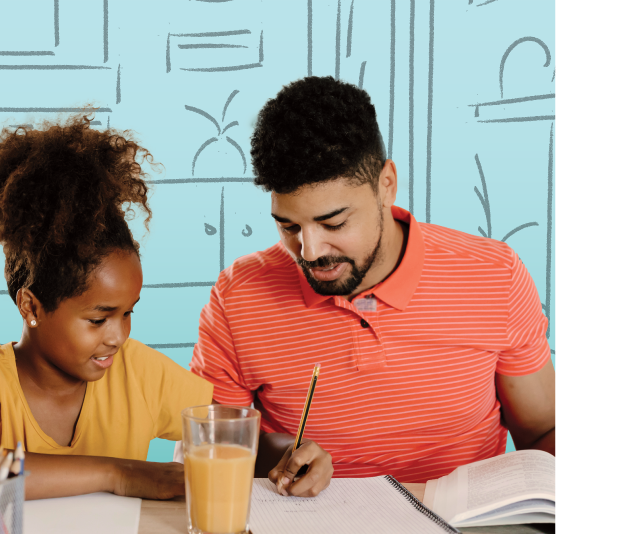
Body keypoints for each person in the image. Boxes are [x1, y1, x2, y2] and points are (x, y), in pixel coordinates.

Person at [186, 76, 556, 497]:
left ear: (386, 184)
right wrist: (282, 453)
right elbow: (211, 446)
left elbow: (542, 429)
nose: (309, 251)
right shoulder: (239, 294)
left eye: (334, 223)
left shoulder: (495, 274)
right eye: (289, 226)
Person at [0, 114, 213, 501]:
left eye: (128, 313)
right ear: (30, 306)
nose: (118, 336)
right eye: (98, 319)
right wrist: (117, 473)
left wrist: (289, 453)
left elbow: (235, 429)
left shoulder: (139, 372)